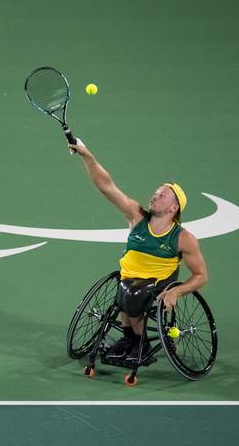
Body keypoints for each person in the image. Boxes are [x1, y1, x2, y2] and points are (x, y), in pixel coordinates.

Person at [69, 140, 208, 360]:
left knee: (134, 293)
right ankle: (131, 339)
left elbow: (201, 276)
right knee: (128, 289)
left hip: (158, 281)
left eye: (162, 195)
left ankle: (138, 342)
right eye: (155, 192)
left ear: (174, 208)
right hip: (128, 277)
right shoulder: (136, 215)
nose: (154, 196)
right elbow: (106, 186)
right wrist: (88, 156)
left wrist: (176, 291)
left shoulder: (183, 239)